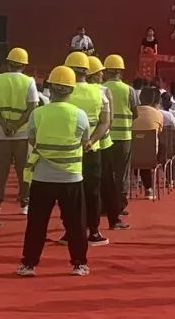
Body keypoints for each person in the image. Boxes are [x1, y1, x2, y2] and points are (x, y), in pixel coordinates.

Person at [17, 65, 90, 277]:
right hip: (71, 177)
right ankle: (79, 263)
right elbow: (84, 140)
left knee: (37, 223)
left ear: (50, 87)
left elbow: (32, 138)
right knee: (76, 223)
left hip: (43, 177)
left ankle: (29, 264)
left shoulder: (38, 114)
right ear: (71, 89)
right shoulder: (79, 115)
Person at [64, 52, 110, 246]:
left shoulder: (64, 92)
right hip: (92, 149)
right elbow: (105, 122)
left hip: (68, 150)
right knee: (92, 192)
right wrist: (91, 141)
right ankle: (94, 231)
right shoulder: (99, 93)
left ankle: (70, 232)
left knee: (69, 193)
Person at [0, 48, 38, 216]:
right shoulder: (29, 81)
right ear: (24, 66)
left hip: (1, 133)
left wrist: (5, 124)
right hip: (22, 134)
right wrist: (17, 125)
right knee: (24, 170)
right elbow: (32, 106)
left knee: (0, 171)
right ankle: (24, 203)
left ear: (8, 63)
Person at [87, 56, 127, 231]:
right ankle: (113, 219)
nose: (102, 75)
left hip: (82, 145)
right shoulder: (104, 92)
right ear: (93, 74)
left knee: (87, 186)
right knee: (108, 183)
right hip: (102, 143)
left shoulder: (73, 91)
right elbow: (108, 121)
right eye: (99, 72)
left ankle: (86, 222)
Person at [102, 55, 137, 218]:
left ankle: (104, 204)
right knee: (122, 172)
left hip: (104, 137)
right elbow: (135, 112)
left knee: (105, 172)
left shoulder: (101, 88)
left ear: (106, 71)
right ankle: (119, 205)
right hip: (124, 136)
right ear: (121, 72)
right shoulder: (128, 90)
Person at [132, 86, 164, 199]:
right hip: (151, 153)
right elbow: (160, 132)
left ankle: (145, 185)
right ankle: (149, 187)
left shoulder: (132, 111)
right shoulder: (158, 114)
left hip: (132, 152)